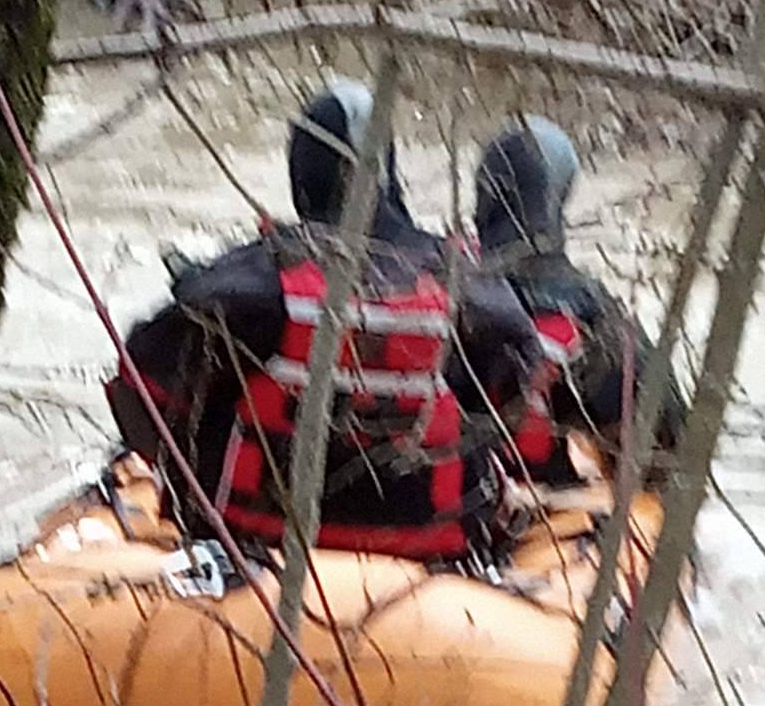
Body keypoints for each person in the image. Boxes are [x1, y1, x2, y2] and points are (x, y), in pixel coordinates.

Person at [106, 80, 539, 561]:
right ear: (390, 173)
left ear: (304, 175)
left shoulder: (249, 283)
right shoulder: (471, 291)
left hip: (252, 552)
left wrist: (181, 476)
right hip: (431, 561)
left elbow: (138, 387)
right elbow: (515, 400)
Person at [474, 116, 684, 490]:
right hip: (552, 510)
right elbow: (668, 440)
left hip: (453, 504)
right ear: (558, 198)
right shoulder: (592, 313)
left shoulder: (438, 283)